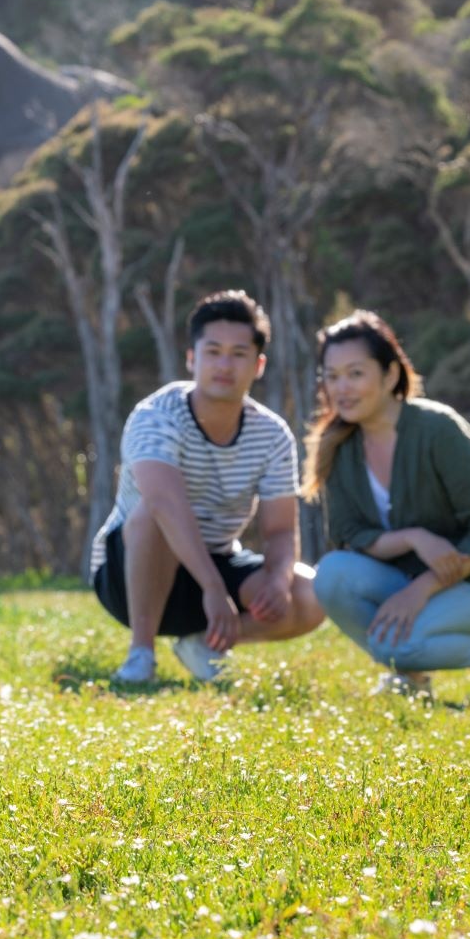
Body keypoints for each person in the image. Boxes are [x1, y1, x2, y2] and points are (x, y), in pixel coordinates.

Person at [302, 310, 470, 704]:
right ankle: (412, 677)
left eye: (355, 373)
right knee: (331, 575)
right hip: (413, 578)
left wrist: (422, 590)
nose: (341, 388)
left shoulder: (439, 429)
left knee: (397, 644)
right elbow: (351, 536)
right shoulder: (338, 447)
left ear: (391, 374)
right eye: (331, 375)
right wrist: (414, 539)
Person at [91, 290, 325, 684]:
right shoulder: (156, 415)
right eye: (213, 351)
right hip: (130, 572)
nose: (224, 365)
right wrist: (214, 590)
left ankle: (204, 642)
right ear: (191, 358)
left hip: (215, 559)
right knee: (152, 512)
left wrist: (279, 578)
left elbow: (281, 530)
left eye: (238, 354)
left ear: (258, 364)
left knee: (312, 593)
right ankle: (141, 654)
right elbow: (164, 504)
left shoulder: (272, 434)